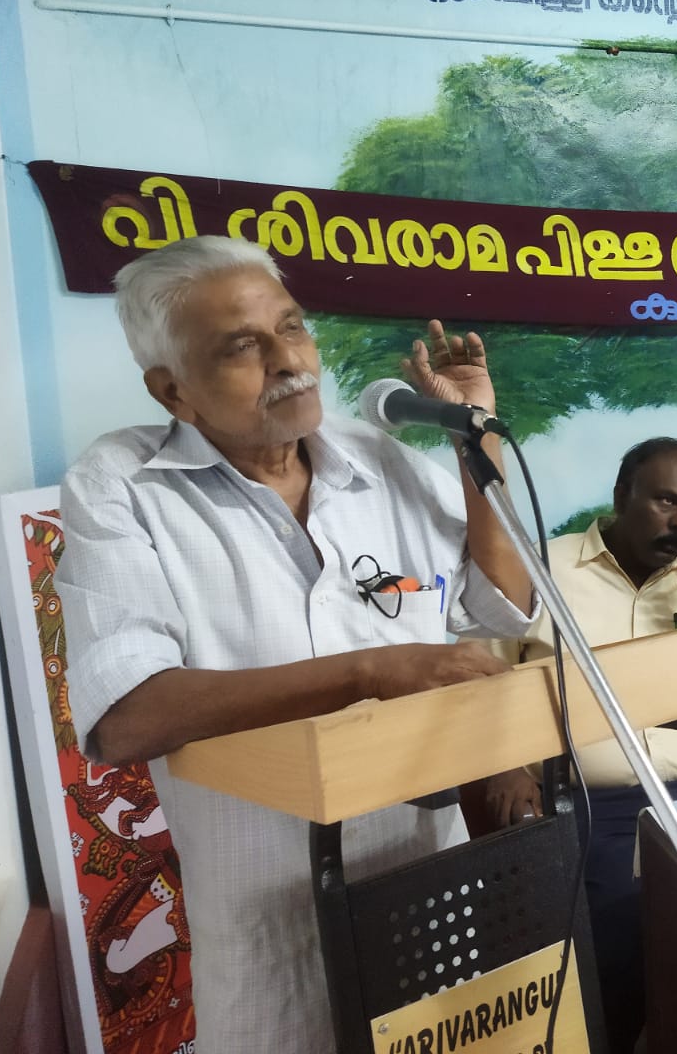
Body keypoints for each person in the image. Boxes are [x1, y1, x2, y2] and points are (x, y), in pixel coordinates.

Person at [56, 236, 536, 1053]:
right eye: (241, 346)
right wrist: (371, 671)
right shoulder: (122, 486)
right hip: (273, 949)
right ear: (173, 390)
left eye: (291, 327)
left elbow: (503, 606)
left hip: (431, 900)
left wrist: (475, 437)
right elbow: (127, 714)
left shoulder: (378, 459)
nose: (288, 360)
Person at [515, 437, 677, 1054]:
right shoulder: (544, 567)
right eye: (665, 502)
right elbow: (488, 681)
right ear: (622, 495)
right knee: (624, 919)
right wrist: (513, 775)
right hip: (594, 801)